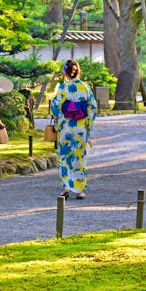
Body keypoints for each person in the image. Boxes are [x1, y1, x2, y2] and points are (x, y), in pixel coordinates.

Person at [50, 59, 97, 199]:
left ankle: (66, 187)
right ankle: (78, 190)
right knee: (79, 157)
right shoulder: (85, 87)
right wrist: (89, 125)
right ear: (78, 71)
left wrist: (59, 120)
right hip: (80, 128)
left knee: (65, 157)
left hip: (66, 127)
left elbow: (55, 107)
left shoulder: (63, 88)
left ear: (65, 72)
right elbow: (93, 107)